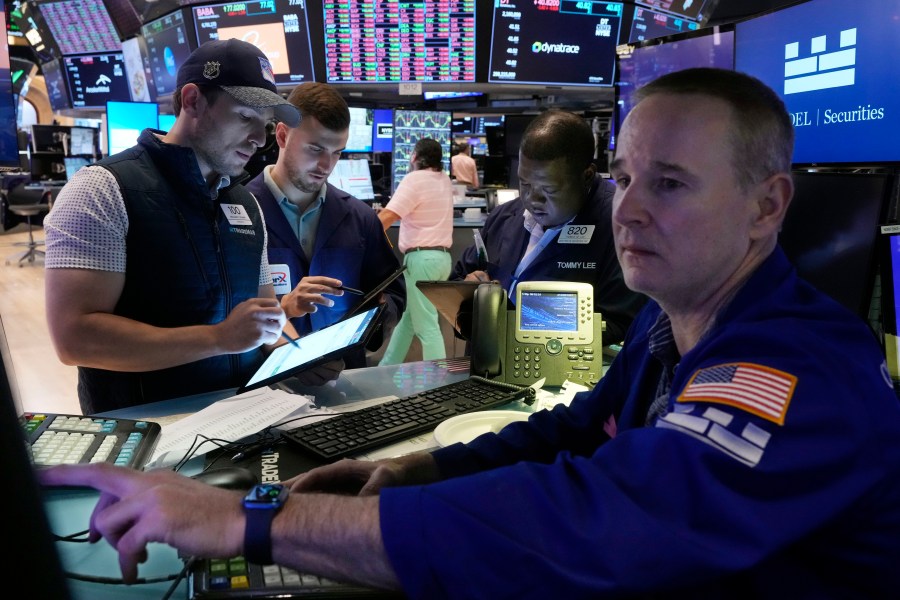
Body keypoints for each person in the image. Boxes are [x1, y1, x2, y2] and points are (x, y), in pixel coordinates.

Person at [40, 68, 900, 596]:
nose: (629, 209)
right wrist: (420, 466)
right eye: (627, 175)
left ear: (767, 206)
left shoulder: (795, 367)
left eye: (670, 184)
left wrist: (248, 526)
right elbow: (572, 432)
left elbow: (594, 522)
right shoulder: (674, 330)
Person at [42, 39, 301, 414]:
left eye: (265, 125)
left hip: (241, 420)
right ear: (193, 100)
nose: (259, 140)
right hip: (146, 432)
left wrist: (297, 359)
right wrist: (217, 339)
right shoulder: (103, 189)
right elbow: (75, 338)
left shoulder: (246, 203)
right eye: (246, 117)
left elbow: (260, 318)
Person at [243, 82, 405, 369]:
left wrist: (379, 313)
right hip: (262, 387)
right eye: (315, 148)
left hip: (344, 380)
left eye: (337, 152)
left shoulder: (360, 218)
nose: (325, 165)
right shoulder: (238, 213)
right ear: (282, 135)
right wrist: (285, 308)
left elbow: (393, 292)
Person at [452, 109, 644, 344]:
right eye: (525, 183)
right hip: (485, 372)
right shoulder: (505, 216)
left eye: (549, 190)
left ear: (586, 176)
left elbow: (623, 325)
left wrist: (515, 318)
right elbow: (457, 284)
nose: (533, 199)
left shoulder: (622, 226)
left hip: (571, 378)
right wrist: (470, 292)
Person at [377, 138, 454, 364]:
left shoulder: (414, 179)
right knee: (409, 319)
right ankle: (385, 369)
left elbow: (388, 217)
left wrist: (364, 235)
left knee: (427, 326)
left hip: (421, 261)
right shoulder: (444, 179)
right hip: (441, 260)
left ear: (414, 157)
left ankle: (438, 382)